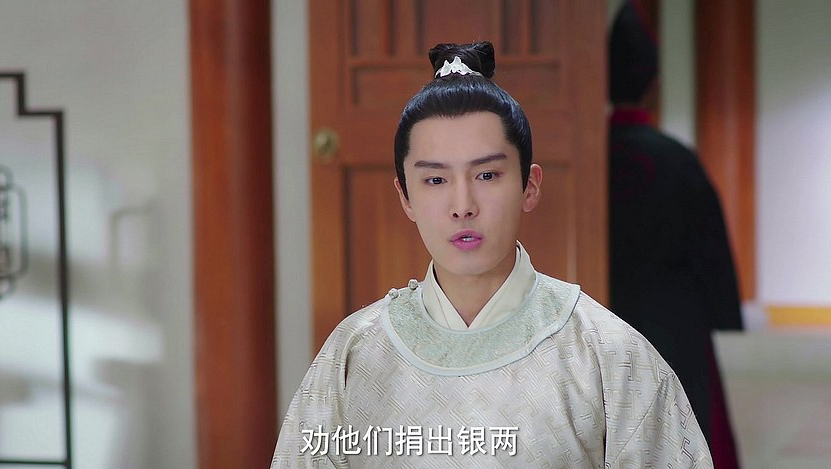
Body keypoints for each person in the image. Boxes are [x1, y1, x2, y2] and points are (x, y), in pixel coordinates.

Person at [271, 41, 712, 468]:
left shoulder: (607, 353)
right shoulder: (356, 353)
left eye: (486, 175)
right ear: (405, 197)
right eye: (435, 180)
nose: (463, 205)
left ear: (529, 186)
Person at [608, 1, 744, 467]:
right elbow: (709, 246)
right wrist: (723, 309)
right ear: (653, 85)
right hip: (676, 315)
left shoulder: (586, 162)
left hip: (604, 306)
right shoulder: (676, 159)